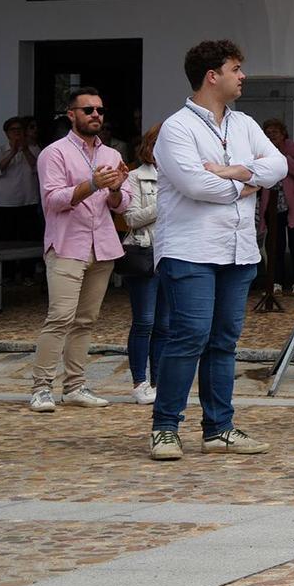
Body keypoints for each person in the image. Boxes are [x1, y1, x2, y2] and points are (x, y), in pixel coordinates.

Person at [148, 40, 288, 460]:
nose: (242, 76)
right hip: (191, 248)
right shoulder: (177, 127)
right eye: (236, 68)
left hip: (239, 249)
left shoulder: (244, 123)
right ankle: (165, 427)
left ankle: (218, 428)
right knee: (189, 334)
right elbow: (195, 185)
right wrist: (249, 182)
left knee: (224, 339)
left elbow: (278, 165)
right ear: (213, 75)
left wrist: (232, 171)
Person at [30, 86, 128, 414]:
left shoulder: (111, 155)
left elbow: (122, 203)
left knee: (86, 320)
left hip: (101, 246)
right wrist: (94, 184)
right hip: (67, 245)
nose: (96, 115)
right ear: (71, 114)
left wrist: (114, 189)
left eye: (100, 110)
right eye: (88, 110)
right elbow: (55, 199)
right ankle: (41, 387)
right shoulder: (54, 153)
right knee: (60, 317)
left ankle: (74, 386)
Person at [118, 126, 165, 404]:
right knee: (144, 321)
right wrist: (167, 201)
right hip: (145, 252)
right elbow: (131, 218)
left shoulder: (183, 178)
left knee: (166, 325)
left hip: (173, 255)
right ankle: (140, 382)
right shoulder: (135, 177)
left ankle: (160, 382)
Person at [256, 119, 294, 296]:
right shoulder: (262, 151)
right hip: (272, 206)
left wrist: (283, 159)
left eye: (275, 132)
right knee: (275, 245)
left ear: (283, 134)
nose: (271, 136)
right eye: (267, 132)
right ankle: (276, 283)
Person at [0, 116, 42, 248]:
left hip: (28, 202)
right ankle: (6, 269)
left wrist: (25, 150)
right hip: (4, 203)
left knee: (28, 241)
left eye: (20, 129)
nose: (17, 132)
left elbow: (38, 169)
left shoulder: (34, 149)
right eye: (13, 129)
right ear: (7, 133)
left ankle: (26, 268)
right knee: (4, 241)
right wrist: (12, 152)